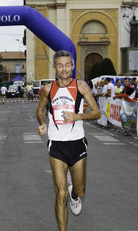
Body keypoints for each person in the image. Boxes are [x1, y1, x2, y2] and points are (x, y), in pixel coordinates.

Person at [36, 50, 101, 231]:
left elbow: (96, 113)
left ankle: (76, 195)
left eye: (67, 65)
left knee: (78, 190)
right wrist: (41, 123)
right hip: (56, 145)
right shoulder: (47, 89)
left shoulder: (81, 87)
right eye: (60, 65)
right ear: (55, 67)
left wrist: (77, 116)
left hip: (77, 143)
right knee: (60, 193)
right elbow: (40, 110)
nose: (64, 69)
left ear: (72, 67)